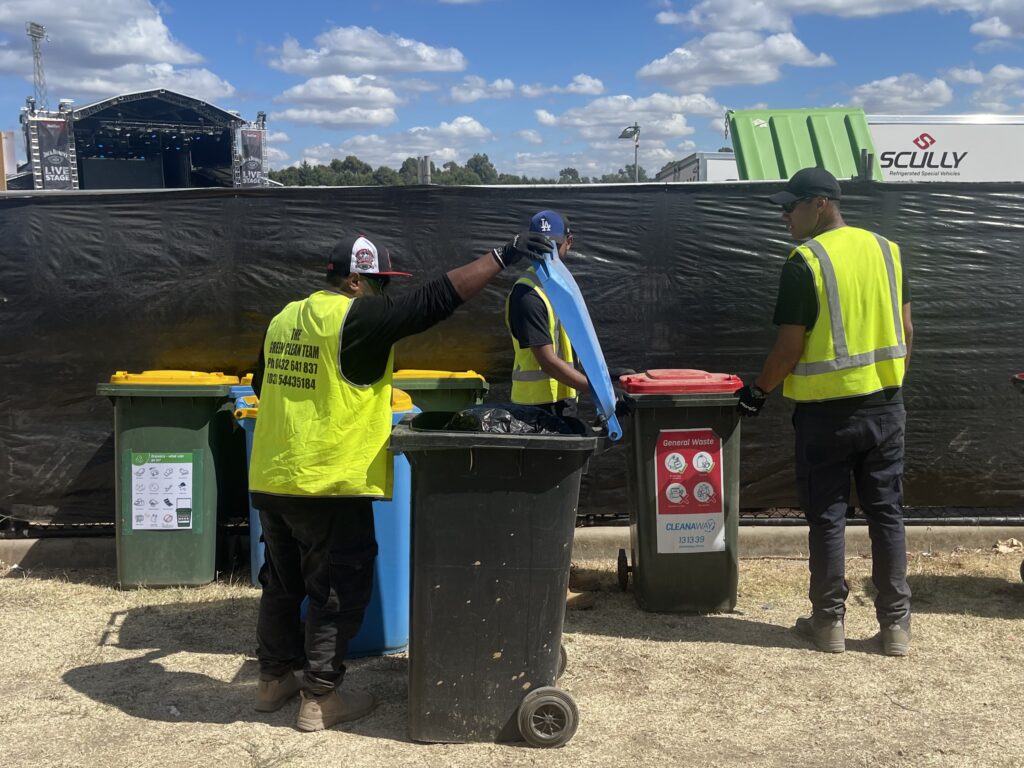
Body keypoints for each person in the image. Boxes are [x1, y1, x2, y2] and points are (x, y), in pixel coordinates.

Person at [248, 229, 553, 731]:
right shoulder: (356, 315)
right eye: (378, 284)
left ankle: (272, 681)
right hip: (328, 479)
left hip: (273, 476)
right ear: (353, 280)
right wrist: (503, 256)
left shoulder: (285, 318)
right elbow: (434, 300)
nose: (384, 295)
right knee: (336, 587)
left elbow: (264, 383)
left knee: (282, 583)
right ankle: (320, 697)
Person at [735, 167, 914, 656]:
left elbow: (789, 346)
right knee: (887, 515)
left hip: (826, 416)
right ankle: (896, 627)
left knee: (829, 518)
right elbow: (905, 326)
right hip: (885, 405)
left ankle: (828, 623)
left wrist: (758, 391)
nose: (783, 216)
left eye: (789, 207)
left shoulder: (805, 261)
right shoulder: (887, 250)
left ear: (820, 204)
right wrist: (890, 382)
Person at [504, 210, 598, 609]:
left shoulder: (558, 289)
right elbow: (546, 359)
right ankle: (549, 589)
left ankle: (555, 574)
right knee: (542, 504)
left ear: (567, 244)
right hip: (534, 414)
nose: (547, 254)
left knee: (557, 501)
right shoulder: (529, 295)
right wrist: (597, 388)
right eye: (540, 248)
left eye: (553, 247)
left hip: (558, 406)